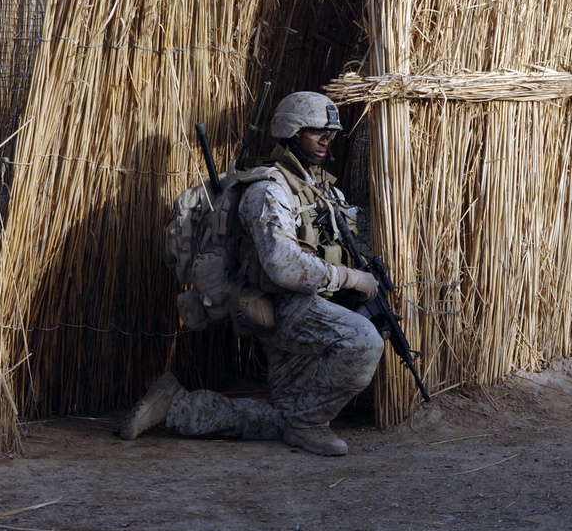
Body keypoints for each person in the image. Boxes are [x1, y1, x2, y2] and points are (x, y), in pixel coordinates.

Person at [120, 92, 383, 456]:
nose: (326, 140)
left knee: (284, 416)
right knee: (363, 341)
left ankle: (175, 406)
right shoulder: (268, 190)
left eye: (330, 134)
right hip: (283, 308)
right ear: (291, 133)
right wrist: (350, 279)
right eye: (315, 132)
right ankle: (310, 425)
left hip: (309, 305)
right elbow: (282, 265)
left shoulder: (323, 189)